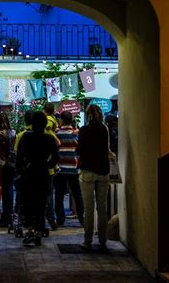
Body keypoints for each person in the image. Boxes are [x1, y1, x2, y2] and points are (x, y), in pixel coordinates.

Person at [16, 111, 59, 246]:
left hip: (29, 173)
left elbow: (19, 157)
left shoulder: (26, 137)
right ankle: (39, 231)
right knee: (41, 204)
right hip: (42, 172)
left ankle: (31, 230)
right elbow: (55, 157)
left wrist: (20, 170)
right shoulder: (49, 139)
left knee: (28, 203)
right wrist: (47, 164)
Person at [76, 104, 109, 251]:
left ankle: (87, 240)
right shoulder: (104, 129)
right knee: (102, 207)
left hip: (88, 170)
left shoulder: (84, 130)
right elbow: (106, 149)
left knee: (89, 208)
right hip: (103, 171)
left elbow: (79, 150)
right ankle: (103, 240)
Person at [54, 111, 84, 226]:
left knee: (59, 195)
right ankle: (82, 218)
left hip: (60, 168)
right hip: (74, 168)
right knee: (77, 194)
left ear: (61, 120)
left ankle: (60, 219)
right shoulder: (76, 133)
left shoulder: (57, 133)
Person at [0, 112, 16, 227]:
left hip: (3, 164)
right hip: (11, 164)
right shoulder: (13, 133)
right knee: (9, 190)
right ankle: (9, 215)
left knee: (5, 191)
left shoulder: (0, 135)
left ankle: (5, 218)